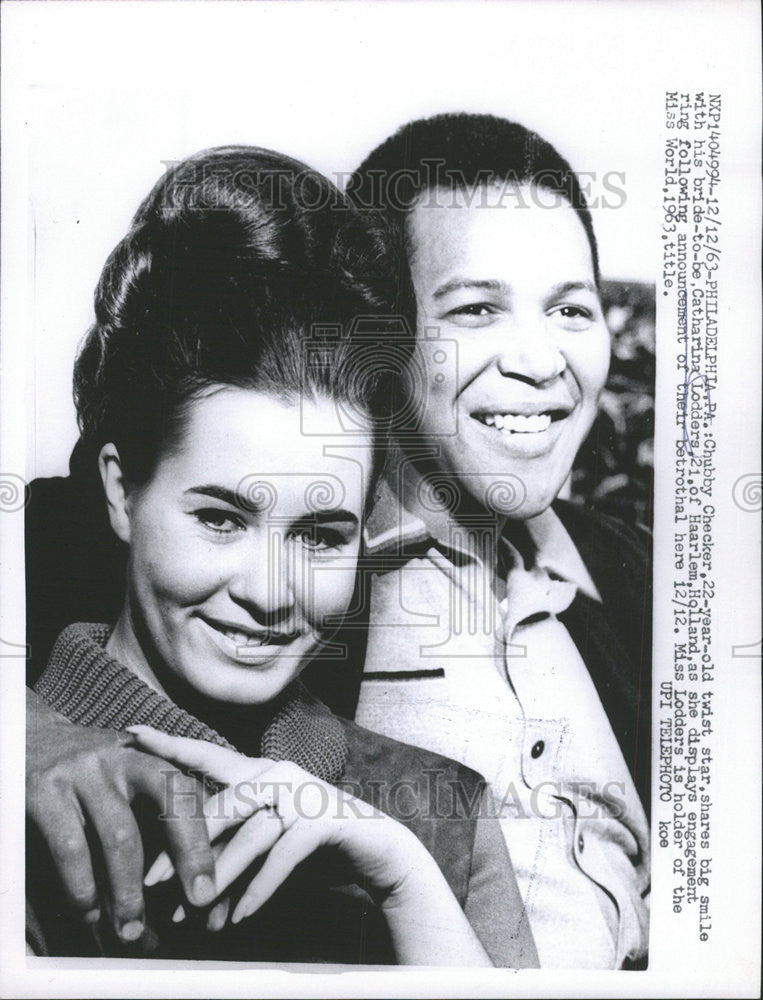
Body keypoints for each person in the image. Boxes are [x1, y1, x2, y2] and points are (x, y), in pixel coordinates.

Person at [26, 146, 537, 967]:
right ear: (122, 493)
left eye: (320, 536)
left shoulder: (438, 811)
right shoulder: (22, 772)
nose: (272, 595)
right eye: (222, 520)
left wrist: (405, 881)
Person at [343, 113, 652, 969]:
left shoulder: (631, 573)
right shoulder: (290, 560)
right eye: (476, 310)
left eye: (569, 309)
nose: (540, 358)